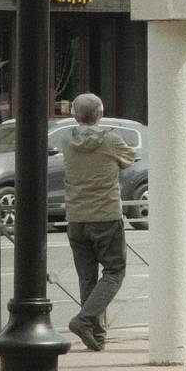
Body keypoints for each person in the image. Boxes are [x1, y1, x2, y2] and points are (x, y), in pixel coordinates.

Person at [62, 93, 136, 352]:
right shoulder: (111, 140)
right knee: (115, 272)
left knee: (87, 278)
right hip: (105, 215)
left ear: (74, 115)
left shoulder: (66, 139)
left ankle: (96, 334)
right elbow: (130, 158)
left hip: (75, 217)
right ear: (101, 114)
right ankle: (84, 320)